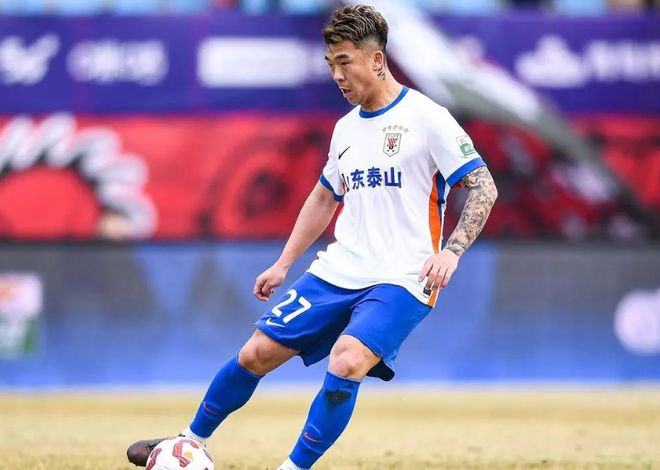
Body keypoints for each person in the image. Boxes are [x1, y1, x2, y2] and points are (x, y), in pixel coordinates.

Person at [126, 5, 498, 469]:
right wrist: (283, 263)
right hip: (341, 269)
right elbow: (324, 198)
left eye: (344, 62)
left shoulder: (428, 117)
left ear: (376, 60)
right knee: (256, 353)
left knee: (346, 360)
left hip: (405, 277)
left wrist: (452, 251)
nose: (337, 75)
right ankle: (188, 441)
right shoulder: (345, 129)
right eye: (330, 64)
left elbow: (484, 186)